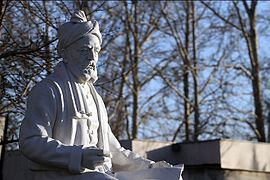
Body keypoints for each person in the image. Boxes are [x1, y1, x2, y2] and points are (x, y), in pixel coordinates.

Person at [19, 10, 182, 180]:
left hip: (101, 175)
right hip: (61, 176)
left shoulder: (95, 97)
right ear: (65, 53)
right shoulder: (48, 90)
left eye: (96, 51)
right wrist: (78, 156)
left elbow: (113, 151)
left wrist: (150, 167)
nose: (92, 57)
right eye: (84, 49)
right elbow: (31, 141)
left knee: (166, 177)